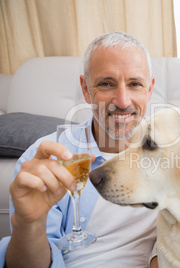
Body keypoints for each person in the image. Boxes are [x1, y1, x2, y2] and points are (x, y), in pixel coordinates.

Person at [0, 31, 159, 267]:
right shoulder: (45, 161)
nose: (123, 101)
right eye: (106, 83)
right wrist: (28, 225)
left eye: (135, 84)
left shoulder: (173, 153)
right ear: (85, 89)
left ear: (149, 89)